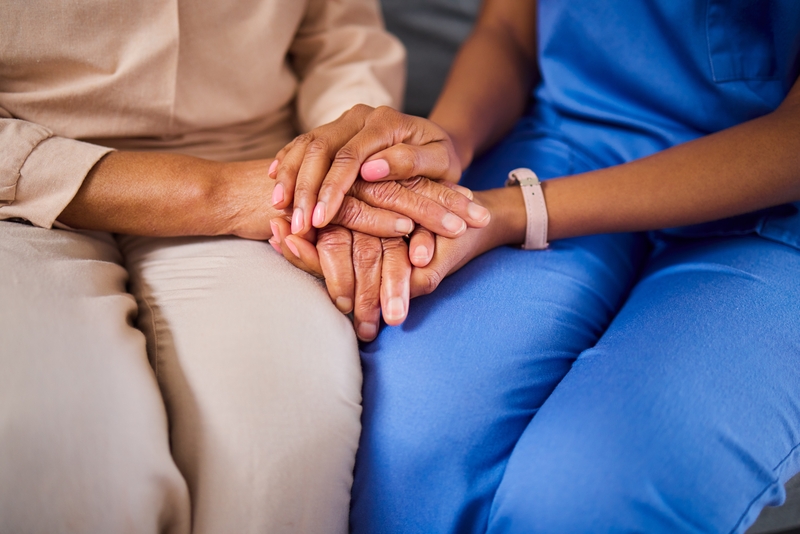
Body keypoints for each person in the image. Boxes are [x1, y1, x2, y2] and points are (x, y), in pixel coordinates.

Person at [267, 0, 800, 531]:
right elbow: (509, 29)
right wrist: (445, 146)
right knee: (411, 431)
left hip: (772, 209)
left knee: (588, 494)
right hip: (567, 141)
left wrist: (514, 211)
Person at [0, 1, 492, 532]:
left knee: (285, 436)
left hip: (267, 164)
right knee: (62, 452)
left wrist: (348, 161)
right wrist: (215, 195)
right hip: (26, 184)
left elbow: (340, 37)